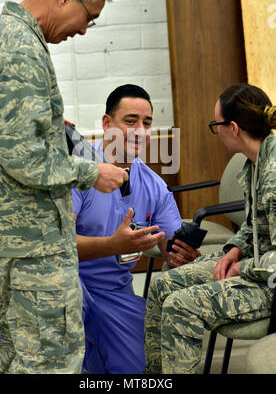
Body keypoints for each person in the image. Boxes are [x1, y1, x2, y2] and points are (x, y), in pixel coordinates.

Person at [0, 0, 129, 374]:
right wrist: (91, 171)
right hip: (34, 246)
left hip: (1, 240)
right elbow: (24, 157)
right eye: (88, 17)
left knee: (15, 359)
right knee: (50, 361)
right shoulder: (23, 48)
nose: (83, 29)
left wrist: (44, 127)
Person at [144, 83, 276, 374]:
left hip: (269, 285)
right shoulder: (256, 163)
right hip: (254, 266)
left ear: (233, 127)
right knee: (161, 286)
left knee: (180, 305)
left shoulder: (273, 176)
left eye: (216, 125)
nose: (216, 132)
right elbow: (255, 226)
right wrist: (232, 252)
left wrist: (242, 268)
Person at [70, 84, 200, 374]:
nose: (140, 130)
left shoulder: (154, 185)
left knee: (146, 367)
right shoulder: (77, 173)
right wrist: (113, 246)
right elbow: (56, 247)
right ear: (107, 124)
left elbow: (171, 244)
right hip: (69, 285)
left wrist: (180, 254)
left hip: (115, 293)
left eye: (147, 123)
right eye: (130, 121)